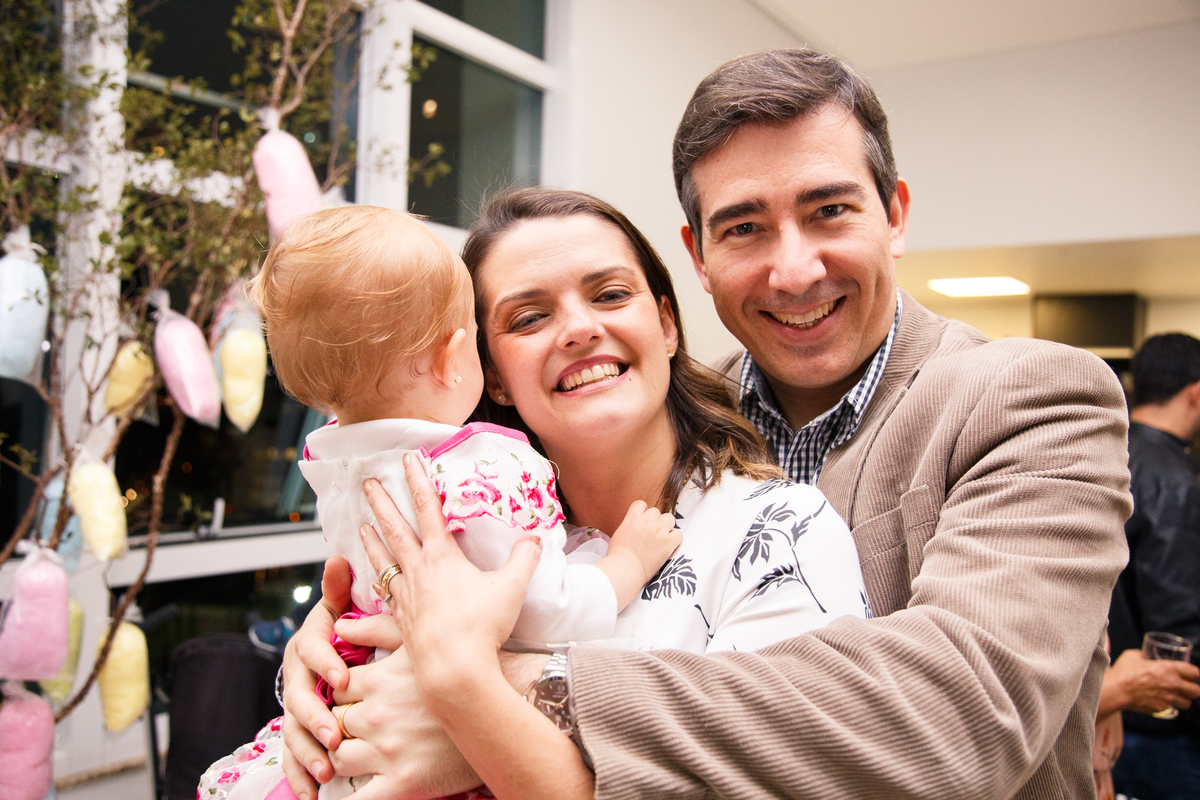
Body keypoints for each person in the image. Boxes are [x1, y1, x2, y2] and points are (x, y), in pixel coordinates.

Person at [284, 50, 1132, 799]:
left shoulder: (1030, 398)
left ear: (895, 214)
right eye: (745, 227)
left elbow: (962, 718)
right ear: (698, 257)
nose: (794, 269)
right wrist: (337, 660)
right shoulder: (655, 417)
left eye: (830, 210)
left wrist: (484, 692)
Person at [196, 205, 691, 799]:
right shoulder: (481, 471)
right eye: (529, 318)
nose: (579, 329)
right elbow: (543, 610)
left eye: (610, 294)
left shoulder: (335, 467)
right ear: (459, 357)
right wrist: (627, 562)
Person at [1107, 333, 1200, 800]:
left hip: (1101, 702)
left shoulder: (1104, 452)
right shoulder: (1175, 481)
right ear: (1195, 393)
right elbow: (1180, 618)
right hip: (1158, 724)